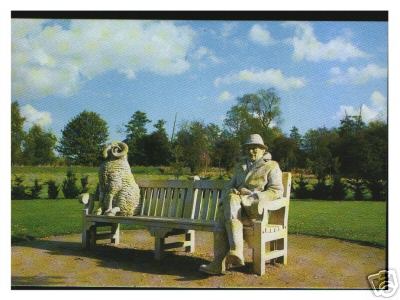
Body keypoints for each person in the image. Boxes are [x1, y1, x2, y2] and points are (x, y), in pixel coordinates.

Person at [199, 134, 284, 275]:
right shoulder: (240, 167)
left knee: (224, 213)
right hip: (236, 210)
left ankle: (219, 262)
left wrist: (252, 195)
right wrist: (232, 190)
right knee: (228, 204)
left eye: (255, 148)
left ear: (263, 150)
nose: (251, 151)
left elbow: (276, 191)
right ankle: (233, 253)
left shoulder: (271, 166)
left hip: (255, 211)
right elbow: (228, 187)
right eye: (248, 148)